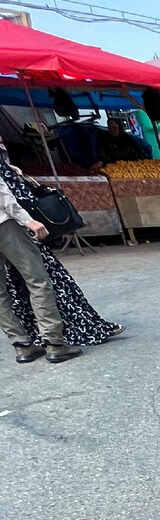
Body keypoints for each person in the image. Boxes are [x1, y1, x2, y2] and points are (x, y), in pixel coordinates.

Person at [0, 144, 83, 363]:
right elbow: (3, 195)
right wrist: (28, 220)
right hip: (4, 225)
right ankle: (54, 342)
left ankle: (21, 345)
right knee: (37, 280)